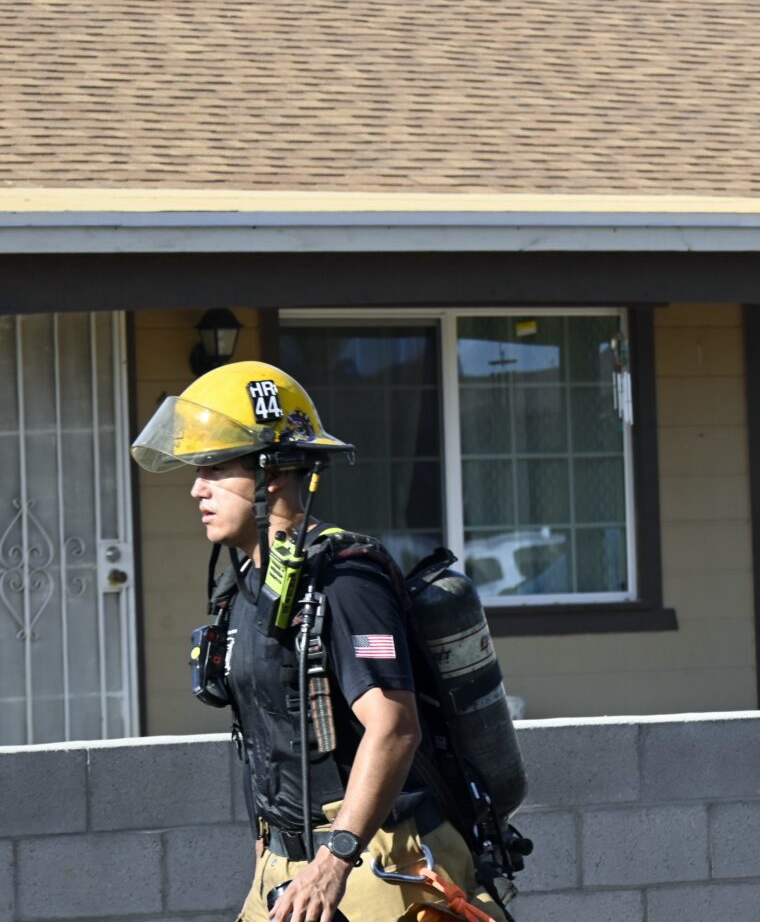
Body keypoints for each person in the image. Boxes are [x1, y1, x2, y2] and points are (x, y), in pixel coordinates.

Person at [131, 361, 508, 922]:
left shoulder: (345, 580)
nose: (196, 488)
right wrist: (268, 856)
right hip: (289, 865)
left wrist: (334, 862)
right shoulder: (244, 587)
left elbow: (394, 726)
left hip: (375, 857)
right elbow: (265, 740)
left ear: (273, 473)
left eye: (215, 468)